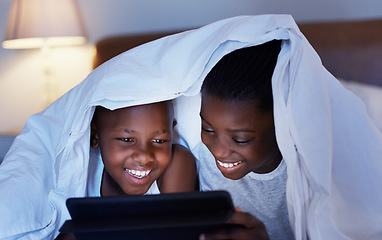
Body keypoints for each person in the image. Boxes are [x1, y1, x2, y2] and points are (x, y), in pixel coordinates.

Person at [1, 14, 382, 240]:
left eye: (242, 137)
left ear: (280, 121)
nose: (219, 150)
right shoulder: (192, 155)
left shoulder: (312, 163)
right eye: (207, 128)